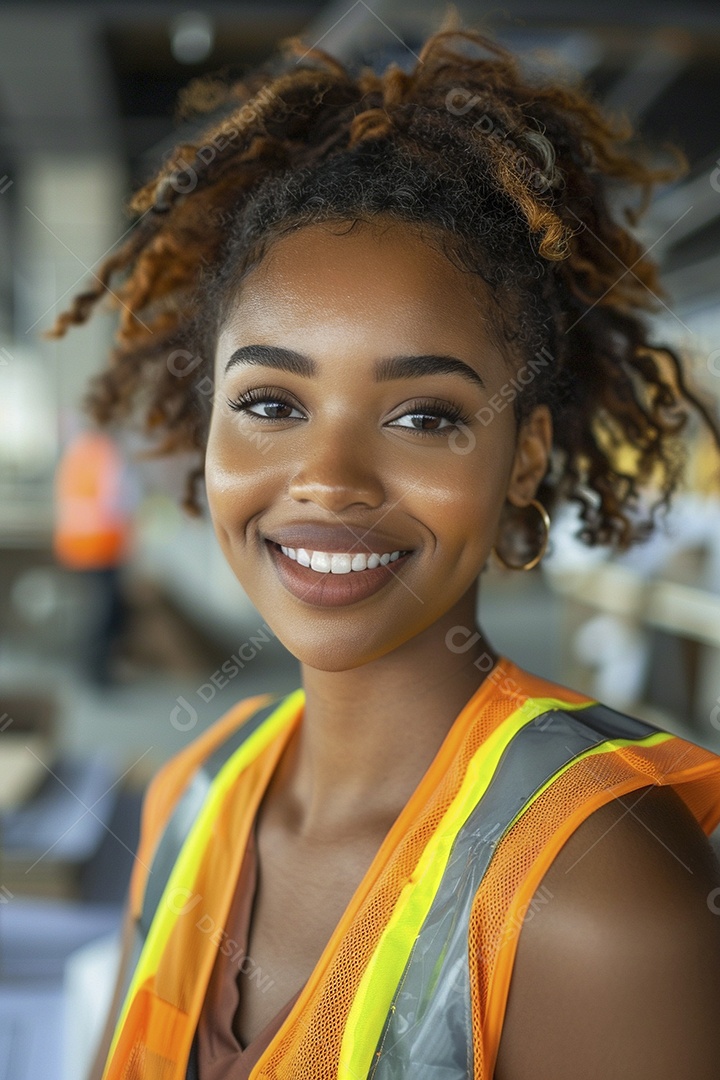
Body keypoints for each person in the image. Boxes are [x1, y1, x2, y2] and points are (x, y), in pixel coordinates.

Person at [45, 18, 720, 1080]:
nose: (330, 481)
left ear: (525, 457)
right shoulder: (193, 790)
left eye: (425, 417)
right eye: (270, 401)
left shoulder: (596, 891)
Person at [53, 423, 137, 685]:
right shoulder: (108, 454)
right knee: (108, 610)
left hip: (75, 543)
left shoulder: (76, 452)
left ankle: (91, 667)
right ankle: (98, 672)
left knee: (97, 607)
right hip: (103, 544)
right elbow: (120, 500)